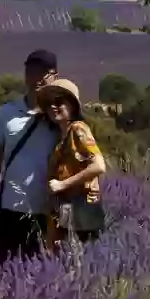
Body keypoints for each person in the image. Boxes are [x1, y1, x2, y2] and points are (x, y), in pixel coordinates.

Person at [0, 49, 60, 262]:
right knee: (7, 270)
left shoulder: (60, 116)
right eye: (32, 70)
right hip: (11, 207)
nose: (38, 77)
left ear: (55, 76)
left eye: (44, 72)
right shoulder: (6, 113)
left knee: (48, 274)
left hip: (49, 210)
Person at [38, 78, 107, 252]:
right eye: (49, 104)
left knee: (79, 263)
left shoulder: (78, 129)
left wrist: (63, 184)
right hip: (67, 209)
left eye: (59, 101)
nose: (53, 107)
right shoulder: (62, 137)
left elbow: (99, 166)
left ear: (72, 105)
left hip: (82, 208)